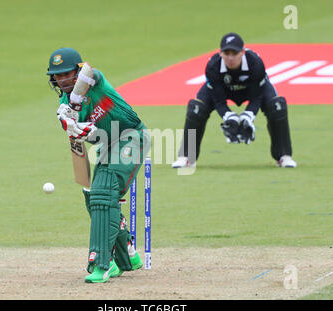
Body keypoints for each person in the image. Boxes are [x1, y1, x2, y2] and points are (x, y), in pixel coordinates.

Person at [47, 47, 151, 283]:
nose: (62, 79)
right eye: (57, 75)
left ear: (77, 70)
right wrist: (74, 128)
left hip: (132, 136)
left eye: (66, 73)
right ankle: (127, 256)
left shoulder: (93, 82)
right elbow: (82, 144)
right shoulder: (63, 106)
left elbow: (89, 73)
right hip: (107, 146)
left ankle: (101, 264)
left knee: (104, 190)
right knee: (96, 196)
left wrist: (73, 107)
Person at [172, 32, 297, 169]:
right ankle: (186, 157)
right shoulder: (213, 66)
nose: (230, 58)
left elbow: (257, 97)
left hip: (251, 90)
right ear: (220, 53)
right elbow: (218, 101)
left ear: (242, 52)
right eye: (226, 53)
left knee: (277, 106)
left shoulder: (255, 63)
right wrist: (229, 117)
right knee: (196, 109)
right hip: (223, 90)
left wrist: (248, 116)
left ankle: (284, 156)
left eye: (235, 53)